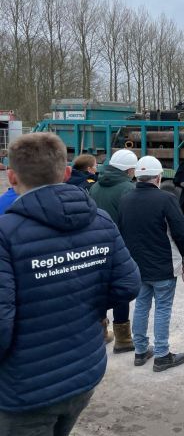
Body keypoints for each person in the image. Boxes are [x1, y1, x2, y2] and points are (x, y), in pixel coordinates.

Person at [0, 133, 140, 435]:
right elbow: (128, 284)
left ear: (11, 177)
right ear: (65, 173)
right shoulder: (101, 221)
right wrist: (87, 306)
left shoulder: (5, 234)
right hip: (84, 372)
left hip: (26, 389)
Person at [119, 156, 184, 372]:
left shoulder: (125, 199)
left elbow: (121, 230)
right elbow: (180, 231)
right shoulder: (166, 199)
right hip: (163, 266)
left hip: (137, 265)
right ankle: (161, 355)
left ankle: (140, 351)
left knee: (141, 306)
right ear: (158, 177)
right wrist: (183, 252)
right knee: (162, 309)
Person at [88, 148, 139, 354]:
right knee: (121, 291)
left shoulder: (96, 186)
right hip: (119, 246)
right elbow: (131, 222)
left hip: (94, 245)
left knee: (99, 288)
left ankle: (101, 332)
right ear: (128, 170)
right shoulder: (128, 189)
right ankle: (123, 340)